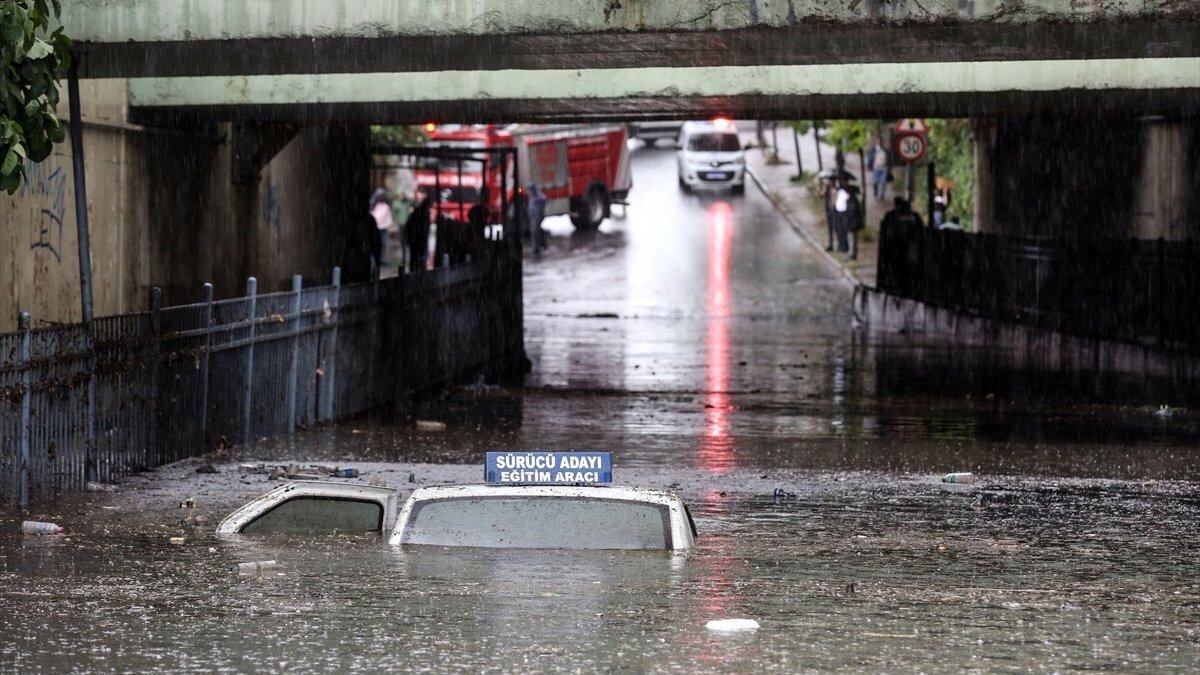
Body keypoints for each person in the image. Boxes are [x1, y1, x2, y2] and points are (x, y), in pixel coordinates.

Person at [833, 181, 863, 259]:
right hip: (851, 223)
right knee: (851, 238)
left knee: (852, 239)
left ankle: (852, 254)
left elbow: (851, 212)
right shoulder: (852, 200)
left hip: (852, 223)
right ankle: (851, 253)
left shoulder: (852, 200)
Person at [406, 190, 432, 272]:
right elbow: (423, 229)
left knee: (415, 260)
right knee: (419, 260)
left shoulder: (418, 212)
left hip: (416, 242)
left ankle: (415, 272)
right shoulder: (423, 214)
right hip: (419, 242)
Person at [369, 188, 393, 266]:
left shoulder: (386, 206)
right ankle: (376, 259)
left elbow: (388, 216)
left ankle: (381, 259)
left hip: (384, 227)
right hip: (376, 228)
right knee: (376, 244)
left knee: (383, 244)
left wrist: (389, 224)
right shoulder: (373, 205)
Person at [866, 136, 891, 202]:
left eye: (881, 141)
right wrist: (868, 165)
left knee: (883, 182)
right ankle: (875, 192)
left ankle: (882, 195)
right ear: (876, 142)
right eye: (878, 141)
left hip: (884, 168)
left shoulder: (886, 150)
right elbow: (870, 157)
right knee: (875, 182)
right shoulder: (874, 149)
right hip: (876, 168)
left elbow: (889, 159)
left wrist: (890, 168)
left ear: (883, 142)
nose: (879, 142)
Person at [527, 184, 548, 256]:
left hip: (536, 216)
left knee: (535, 232)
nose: (529, 191)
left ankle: (536, 247)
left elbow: (544, 198)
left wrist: (539, 207)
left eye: (529, 189)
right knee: (535, 232)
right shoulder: (531, 196)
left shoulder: (536, 194)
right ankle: (538, 246)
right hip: (533, 216)